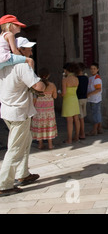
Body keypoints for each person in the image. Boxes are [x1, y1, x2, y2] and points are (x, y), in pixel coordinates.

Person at [0, 57, 45, 196]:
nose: (31, 52)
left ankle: (23, 173)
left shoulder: (3, 67)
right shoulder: (22, 66)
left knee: (26, 141)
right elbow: (39, 87)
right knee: (16, 148)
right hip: (19, 112)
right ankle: (4, 184)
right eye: (27, 49)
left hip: (8, 110)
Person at [31, 68, 58, 150]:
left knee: (40, 125)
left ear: (38, 75)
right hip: (49, 110)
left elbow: (34, 98)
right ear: (48, 75)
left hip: (39, 109)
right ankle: (50, 144)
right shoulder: (52, 85)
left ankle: (40, 144)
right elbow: (55, 96)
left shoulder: (37, 85)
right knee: (49, 125)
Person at [61, 62, 81, 144]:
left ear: (66, 70)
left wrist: (59, 94)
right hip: (75, 99)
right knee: (76, 119)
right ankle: (76, 136)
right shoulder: (76, 79)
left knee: (69, 120)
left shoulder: (65, 80)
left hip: (68, 100)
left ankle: (69, 139)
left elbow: (64, 93)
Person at [87, 62, 103, 135]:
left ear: (97, 69)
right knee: (97, 114)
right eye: (91, 69)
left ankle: (94, 130)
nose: (92, 70)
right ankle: (99, 129)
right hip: (92, 99)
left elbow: (98, 89)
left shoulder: (97, 78)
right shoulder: (91, 78)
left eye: (94, 69)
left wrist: (89, 94)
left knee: (95, 114)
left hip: (95, 99)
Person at [76, 63, 88, 140]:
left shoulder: (77, 78)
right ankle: (81, 132)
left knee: (80, 118)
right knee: (82, 117)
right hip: (85, 98)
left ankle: (82, 133)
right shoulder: (86, 78)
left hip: (79, 98)